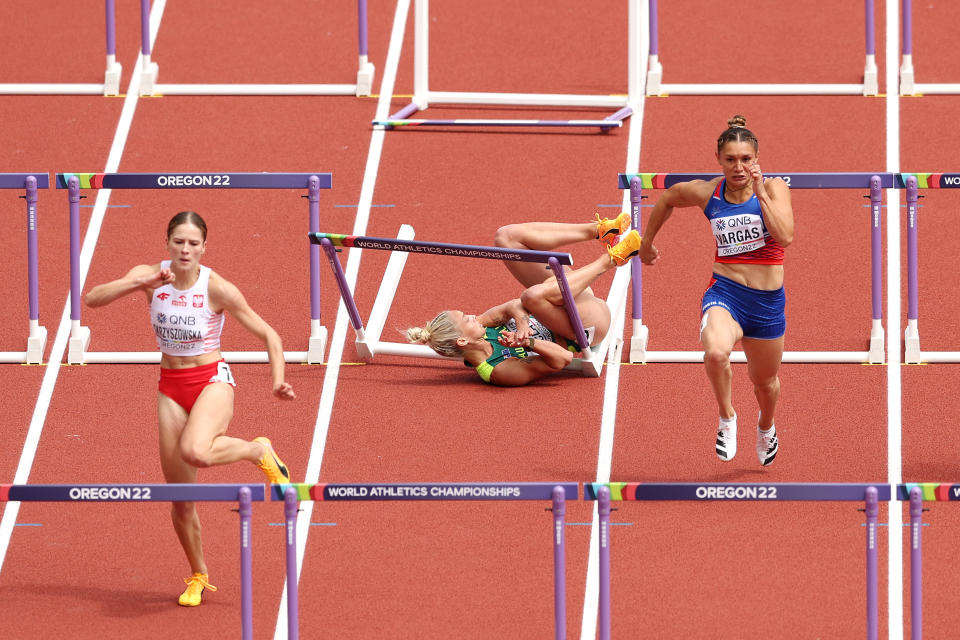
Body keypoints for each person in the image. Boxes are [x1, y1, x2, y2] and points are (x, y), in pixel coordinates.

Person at [84, 211, 296, 606]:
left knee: (195, 451)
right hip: (170, 387)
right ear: (167, 243)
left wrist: (277, 379)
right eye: (179, 242)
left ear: (203, 247)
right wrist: (137, 283)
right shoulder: (151, 276)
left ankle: (257, 450)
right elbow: (92, 299)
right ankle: (198, 575)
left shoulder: (216, 288)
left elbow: (270, 334)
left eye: (193, 243)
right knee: (181, 497)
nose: (185, 249)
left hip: (211, 380)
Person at [638, 115, 794, 467]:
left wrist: (760, 194)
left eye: (745, 159)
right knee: (715, 352)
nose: (738, 167)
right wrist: (646, 244)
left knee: (765, 383)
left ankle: (766, 426)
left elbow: (785, 236)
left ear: (756, 160)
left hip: (767, 303)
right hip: (725, 292)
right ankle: (727, 418)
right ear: (719, 159)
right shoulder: (707, 192)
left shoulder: (775, 189)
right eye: (730, 159)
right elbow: (667, 198)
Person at [406, 216, 641, 386]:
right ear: (462, 340)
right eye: (464, 319)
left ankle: (599, 230)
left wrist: (521, 325)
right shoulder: (498, 370)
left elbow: (513, 306)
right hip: (585, 327)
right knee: (530, 297)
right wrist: (527, 344)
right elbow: (564, 359)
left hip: (563, 296)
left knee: (506, 238)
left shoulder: (482, 325)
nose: (471, 315)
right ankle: (613, 259)